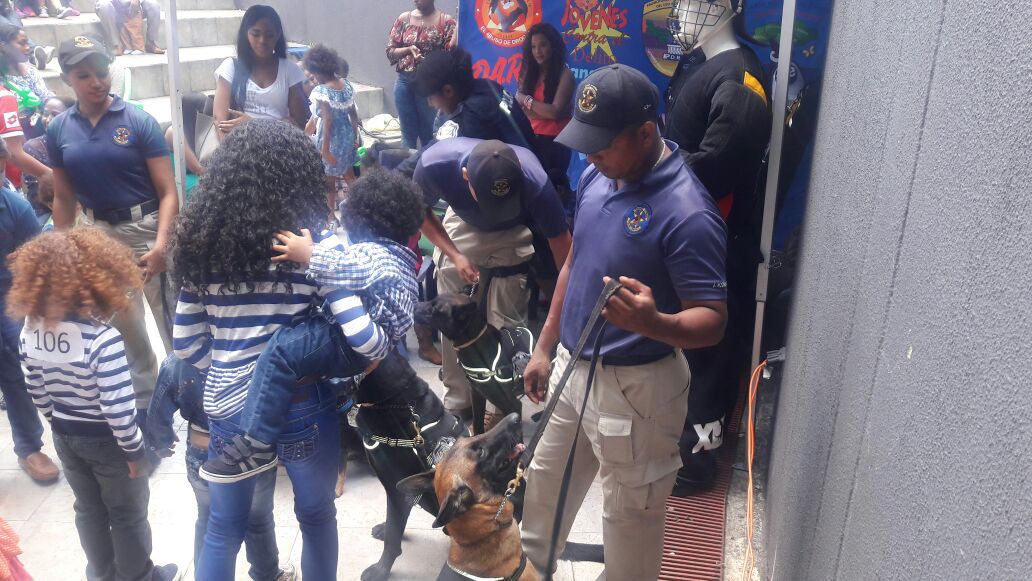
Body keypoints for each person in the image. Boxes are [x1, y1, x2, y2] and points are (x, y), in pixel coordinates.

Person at [519, 65, 729, 580]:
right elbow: (574, 261)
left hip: (637, 391)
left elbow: (713, 321)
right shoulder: (599, 174)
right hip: (572, 369)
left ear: (646, 133)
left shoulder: (688, 212)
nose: (589, 156)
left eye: (602, 144)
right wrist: (545, 345)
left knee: (630, 524)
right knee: (542, 494)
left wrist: (655, 322)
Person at [172, 119, 341, 580]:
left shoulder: (203, 247)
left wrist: (230, 365)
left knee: (223, 527)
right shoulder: (312, 246)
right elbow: (341, 325)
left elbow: (185, 341)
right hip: (302, 401)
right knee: (316, 516)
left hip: (228, 404)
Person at [199, 168, 424, 482]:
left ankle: (256, 443)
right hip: (359, 346)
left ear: (362, 218)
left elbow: (345, 268)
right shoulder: (399, 256)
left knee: (281, 350)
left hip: (347, 343)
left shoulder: (377, 255)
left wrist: (307, 254)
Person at [7, 228, 178, 581]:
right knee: (127, 512)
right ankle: (139, 576)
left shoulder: (30, 329)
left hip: (66, 436)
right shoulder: (103, 340)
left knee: (88, 509)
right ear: (101, 280)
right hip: (110, 443)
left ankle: (101, 574)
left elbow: (36, 389)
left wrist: (59, 422)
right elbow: (118, 409)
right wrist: (135, 452)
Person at [664, 0, 772, 495]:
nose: (681, 12)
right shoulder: (705, 67)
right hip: (690, 234)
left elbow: (718, 166)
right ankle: (676, 443)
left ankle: (696, 458)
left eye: (691, 3)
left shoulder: (741, 80)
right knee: (685, 347)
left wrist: (655, 165)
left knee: (708, 350)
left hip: (716, 237)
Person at [47, 34, 179, 423]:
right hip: (99, 236)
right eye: (84, 75)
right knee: (126, 327)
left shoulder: (137, 120)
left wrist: (162, 245)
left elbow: (168, 191)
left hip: (148, 230)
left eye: (102, 72)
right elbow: (63, 198)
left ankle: (194, 401)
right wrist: (63, 249)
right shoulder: (59, 130)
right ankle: (148, 412)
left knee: (174, 321)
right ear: (67, 78)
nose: (97, 82)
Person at [414, 137, 571, 429]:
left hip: (513, 227)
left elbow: (565, 254)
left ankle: (502, 403)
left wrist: (567, 306)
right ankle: (459, 397)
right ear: (465, 177)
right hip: (463, 222)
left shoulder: (535, 181)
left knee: (508, 316)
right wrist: (455, 255)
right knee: (451, 313)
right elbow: (419, 212)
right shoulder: (435, 163)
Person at [147, 355, 297, 581]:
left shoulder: (178, 360)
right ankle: (267, 575)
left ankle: (205, 575)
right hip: (251, 449)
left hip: (201, 449)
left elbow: (157, 409)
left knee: (208, 519)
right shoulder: (257, 351)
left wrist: (161, 441)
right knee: (258, 518)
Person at [0, 172, 60, 483]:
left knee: (18, 367)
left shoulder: (15, 208)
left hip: (10, 297)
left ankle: (28, 448)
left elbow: (38, 264)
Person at [213, 5, 307, 140]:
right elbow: (219, 121)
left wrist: (253, 124)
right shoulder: (230, 68)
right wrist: (228, 151)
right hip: (239, 146)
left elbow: (299, 123)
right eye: (256, 34)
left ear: (278, 35)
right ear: (246, 33)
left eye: (269, 35)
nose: (262, 40)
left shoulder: (290, 71)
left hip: (279, 146)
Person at [414, 47, 535, 151]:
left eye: (431, 98)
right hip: (530, 157)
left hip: (518, 168)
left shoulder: (473, 113)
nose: (430, 104)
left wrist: (404, 168)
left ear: (448, 91)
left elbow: (437, 150)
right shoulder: (486, 86)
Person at [385, 0, 456, 149]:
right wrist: (408, 49)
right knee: (407, 133)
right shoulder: (404, 19)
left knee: (427, 133)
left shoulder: (446, 22)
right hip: (404, 82)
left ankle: (426, 163)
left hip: (429, 86)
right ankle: (407, 165)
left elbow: (450, 56)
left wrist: (427, 63)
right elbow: (390, 52)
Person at [515, 22, 574, 191]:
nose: (537, 51)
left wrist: (526, 100)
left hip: (555, 143)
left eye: (542, 45)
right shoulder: (528, 73)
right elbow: (522, 111)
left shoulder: (565, 75)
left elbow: (555, 112)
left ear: (553, 46)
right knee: (529, 190)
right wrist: (546, 110)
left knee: (552, 190)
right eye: (533, 47)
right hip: (529, 138)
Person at [303, 44, 361, 209]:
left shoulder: (322, 91)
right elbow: (354, 115)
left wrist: (326, 150)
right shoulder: (346, 85)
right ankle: (361, 206)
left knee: (329, 179)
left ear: (318, 71)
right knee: (349, 173)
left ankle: (329, 216)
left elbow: (327, 121)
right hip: (347, 135)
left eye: (313, 75)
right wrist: (354, 138)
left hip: (331, 139)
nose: (314, 79)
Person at [0, 24, 55, 140]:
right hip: (10, 134)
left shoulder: (30, 71)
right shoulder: (3, 78)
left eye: (27, 43)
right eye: (22, 43)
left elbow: (45, 96)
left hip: (36, 126)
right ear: (3, 46)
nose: (27, 48)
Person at [23, 96, 71, 218]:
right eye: (45, 114)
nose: (48, 119)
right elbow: (41, 195)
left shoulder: (80, 143)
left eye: (55, 115)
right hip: (48, 212)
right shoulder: (33, 147)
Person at [95, 0, 164, 56]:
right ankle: (116, 45)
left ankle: (150, 43)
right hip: (113, 4)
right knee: (104, 5)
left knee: (153, 5)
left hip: (135, 5)